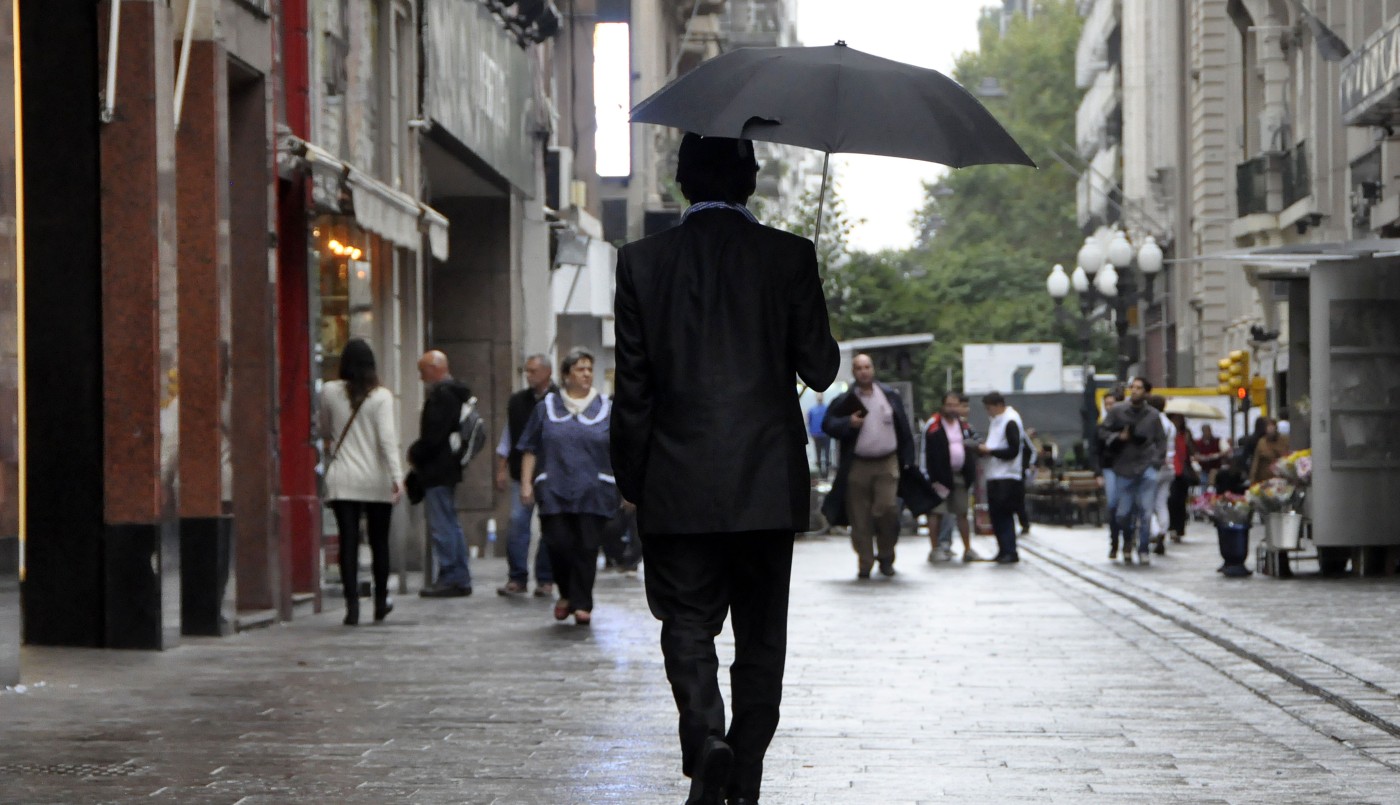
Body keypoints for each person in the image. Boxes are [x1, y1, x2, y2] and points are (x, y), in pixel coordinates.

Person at [611, 133, 839, 805]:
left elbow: (634, 389)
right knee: (761, 636)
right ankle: (743, 771)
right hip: (766, 483)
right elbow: (821, 368)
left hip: (677, 481)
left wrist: (633, 477)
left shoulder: (642, 263)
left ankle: (706, 735)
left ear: (682, 182)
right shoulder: (789, 256)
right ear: (751, 182)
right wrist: (805, 299)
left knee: (686, 621)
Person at [516, 348, 617, 626]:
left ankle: (582, 603)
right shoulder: (547, 407)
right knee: (558, 543)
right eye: (579, 369)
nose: (586, 374)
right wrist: (526, 484)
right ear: (565, 375)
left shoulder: (606, 407)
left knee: (586, 546)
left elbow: (622, 449)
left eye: (589, 369)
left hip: (594, 488)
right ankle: (565, 592)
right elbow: (530, 448)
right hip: (554, 488)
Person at [319, 338, 403, 625]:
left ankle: (352, 606)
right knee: (380, 542)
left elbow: (325, 429)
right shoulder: (381, 397)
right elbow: (387, 440)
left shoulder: (329, 391)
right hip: (375, 479)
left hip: (343, 478)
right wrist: (397, 476)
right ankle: (380, 601)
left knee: (348, 542)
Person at [822, 353, 917, 579]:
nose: (864, 371)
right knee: (859, 517)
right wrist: (848, 423)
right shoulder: (846, 400)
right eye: (859, 368)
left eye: (867, 367)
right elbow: (828, 424)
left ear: (873, 369)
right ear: (854, 372)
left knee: (887, 509)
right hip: (857, 464)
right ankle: (865, 562)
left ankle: (886, 555)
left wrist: (909, 459)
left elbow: (904, 428)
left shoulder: (889, 396)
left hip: (887, 461)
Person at [408, 350, 474, 597]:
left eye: (423, 370)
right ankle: (459, 574)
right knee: (449, 522)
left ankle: (450, 575)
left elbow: (433, 436)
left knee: (442, 523)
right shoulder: (455, 394)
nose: (420, 376)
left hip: (438, 468)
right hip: (448, 466)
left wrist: (416, 452)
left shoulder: (442, 396)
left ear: (436, 368)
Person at [494, 354, 557, 598]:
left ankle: (545, 577)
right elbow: (508, 436)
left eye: (533, 371)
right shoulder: (518, 401)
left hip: (551, 473)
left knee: (550, 527)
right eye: (527, 371)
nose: (528, 375)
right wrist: (502, 467)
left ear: (547, 372)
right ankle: (517, 576)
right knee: (518, 524)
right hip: (521, 473)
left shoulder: (559, 400)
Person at [1098, 377, 1166, 566]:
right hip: (1124, 467)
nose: (1134, 391)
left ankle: (1143, 549)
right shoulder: (1118, 411)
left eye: (1139, 388)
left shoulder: (1152, 415)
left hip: (1146, 466)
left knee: (1145, 511)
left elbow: (1161, 439)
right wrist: (1118, 436)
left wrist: (1156, 460)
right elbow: (1103, 432)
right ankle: (1127, 541)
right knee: (1123, 513)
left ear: (1146, 392)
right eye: (1132, 387)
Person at [925, 391, 983, 563]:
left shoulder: (964, 427)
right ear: (943, 406)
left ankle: (967, 549)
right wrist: (929, 475)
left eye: (955, 405)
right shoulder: (934, 426)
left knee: (962, 512)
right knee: (937, 512)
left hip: (960, 475)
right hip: (940, 476)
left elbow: (977, 442)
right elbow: (926, 452)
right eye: (949, 405)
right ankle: (934, 548)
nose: (952, 408)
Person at [977, 392, 1026, 564]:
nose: (988, 412)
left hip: (1006, 475)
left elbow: (1013, 450)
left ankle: (1010, 550)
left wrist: (989, 451)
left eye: (989, 408)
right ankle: (1003, 549)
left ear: (998, 405)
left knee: (1004, 514)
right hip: (995, 474)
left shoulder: (1009, 420)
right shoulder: (997, 421)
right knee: (996, 515)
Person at [1094, 389, 1124, 559]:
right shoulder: (1101, 426)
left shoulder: (1127, 425)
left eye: (1112, 404)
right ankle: (1114, 542)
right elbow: (1096, 451)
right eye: (1107, 404)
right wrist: (1098, 472)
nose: (1109, 407)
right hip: (1109, 468)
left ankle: (1128, 537)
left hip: (1126, 468)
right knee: (1113, 504)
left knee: (1127, 506)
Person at [1146, 395, 1174, 555]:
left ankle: (1155, 532)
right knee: (1162, 503)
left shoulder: (1154, 423)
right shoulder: (1170, 424)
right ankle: (1163, 530)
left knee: (1148, 503)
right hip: (1169, 467)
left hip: (1154, 466)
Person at [1165, 412, 1195, 544]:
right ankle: (1171, 527)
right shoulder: (1167, 432)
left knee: (1181, 501)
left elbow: (1192, 451)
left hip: (1183, 470)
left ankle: (1179, 528)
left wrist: (1189, 443)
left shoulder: (1186, 434)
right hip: (1171, 469)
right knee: (1171, 500)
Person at [1249, 417, 1292, 484]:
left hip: (1282, 478)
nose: (1270, 429)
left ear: (1276, 427)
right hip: (1266, 479)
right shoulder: (1262, 442)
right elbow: (1256, 462)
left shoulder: (1284, 440)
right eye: (1268, 427)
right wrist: (1253, 480)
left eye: (1272, 426)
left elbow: (1289, 456)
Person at [807, 393, 831, 480]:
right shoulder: (812, 410)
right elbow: (809, 422)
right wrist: (811, 433)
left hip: (826, 435)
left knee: (827, 454)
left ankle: (827, 474)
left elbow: (830, 420)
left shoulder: (827, 409)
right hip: (817, 435)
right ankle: (820, 474)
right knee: (818, 455)